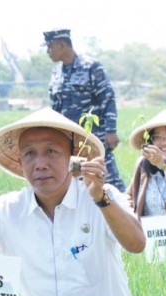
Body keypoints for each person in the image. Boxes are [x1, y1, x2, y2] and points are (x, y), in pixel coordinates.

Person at [0, 108, 145, 296]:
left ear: (73, 157)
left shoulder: (101, 196)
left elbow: (136, 244)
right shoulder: (7, 211)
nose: (40, 164)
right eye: (30, 154)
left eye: (51, 152)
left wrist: (101, 199)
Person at [43, 28, 126, 192]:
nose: (48, 51)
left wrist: (111, 130)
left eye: (50, 46)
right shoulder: (56, 73)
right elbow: (55, 109)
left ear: (62, 45)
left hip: (95, 139)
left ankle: (125, 212)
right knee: (77, 183)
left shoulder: (91, 67)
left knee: (108, 181)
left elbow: (107, 98)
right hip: (70, 143)